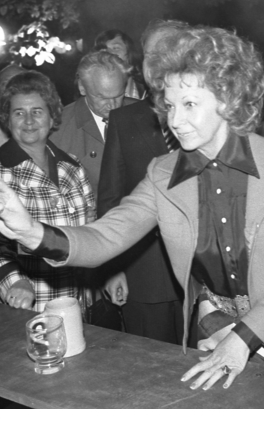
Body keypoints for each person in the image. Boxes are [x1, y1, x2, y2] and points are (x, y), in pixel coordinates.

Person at [0, 26, 264, 389]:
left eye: (189, 105)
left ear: (228, 98)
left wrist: (244, 338)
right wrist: (33, 232)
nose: (174, 121)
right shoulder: (163, 173)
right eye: (169, 106)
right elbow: (106, 236)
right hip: (216, 324)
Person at [0, 71, 96, 313]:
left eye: (37, 111)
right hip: (24, 303)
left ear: (52, 117)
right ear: (7, 119)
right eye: (19, 113)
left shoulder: (73, 167)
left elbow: (91, 228)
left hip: (74, 299)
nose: (28, 121)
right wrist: (13, 280)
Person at [95, 20, 190, 344]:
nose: (160, 61)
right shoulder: (124, 120)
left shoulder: (212, 116)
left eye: (169, 51)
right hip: (145, 276)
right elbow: (110, 199)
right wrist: (113, 267)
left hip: (204, 279)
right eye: (152, 54)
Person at [52, 50, 137, 195]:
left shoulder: (144, 114)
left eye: (118, 96)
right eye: (102, 97)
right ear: (82, 87)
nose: (112, 106)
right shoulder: (58, 127)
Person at [94, 29, 146, 100]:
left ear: (129, 54)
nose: (109, 53)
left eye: (115, 48)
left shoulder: (147, 90)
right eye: (103, 49)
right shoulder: (93, 92)